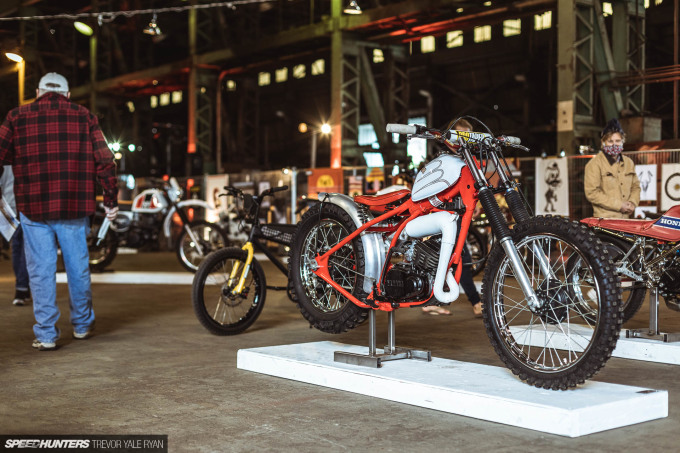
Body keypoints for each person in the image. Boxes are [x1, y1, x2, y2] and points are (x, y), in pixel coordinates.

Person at [0, 72, 119, 351]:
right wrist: (110, 200)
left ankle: (46, 334)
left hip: (33, 207)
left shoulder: (16, 117)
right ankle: (81, 325)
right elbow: (105, 160)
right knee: (78, 268)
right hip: (74, 207)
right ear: (67, 95)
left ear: (38, 92)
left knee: (40, 271)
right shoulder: (85, 116)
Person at [422, 118, 483, 317]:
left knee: (451, 258)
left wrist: (475, 204)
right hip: (444, 216)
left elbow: (473, 186)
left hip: (457, 215)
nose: (464, 141)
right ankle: (475, 302)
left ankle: (431, 300)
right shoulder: (443, 160)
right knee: (460, 258)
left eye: (468, 137)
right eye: (460, 136)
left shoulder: (467, 159)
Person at [584, 118, 640, 219]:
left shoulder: (629, 163)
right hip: (605, 220)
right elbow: (592, 193)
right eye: (610, 141)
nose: (614, 144)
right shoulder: (594, 164)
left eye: (617, 141)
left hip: (626, 219)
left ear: (622, 141)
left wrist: (632, 202)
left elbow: (636, 186)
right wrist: (619, 205)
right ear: (603, 142)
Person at [0, 165, 30, 305]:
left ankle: (22, 287)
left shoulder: (4, 158)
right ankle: (22, 287)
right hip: (19, 206)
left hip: (9, 207)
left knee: (18, 247)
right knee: (22, 247)